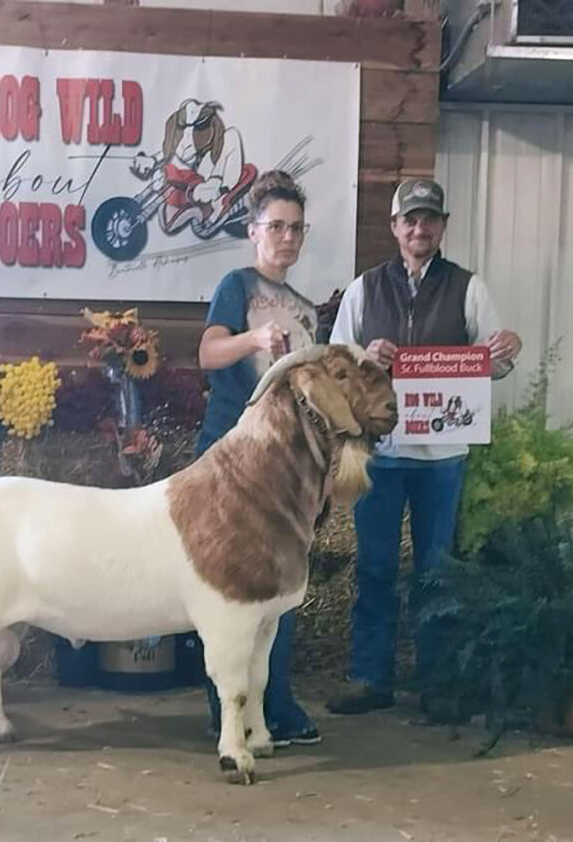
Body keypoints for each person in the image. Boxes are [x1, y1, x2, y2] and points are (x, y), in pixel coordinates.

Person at [328, 178, 521, 720]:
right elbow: (338, 364)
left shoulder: (469, 287)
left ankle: (437, 684)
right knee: (376, 569)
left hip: (443, 457)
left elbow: (496, 359)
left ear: (443, 226)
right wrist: (367, 354)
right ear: (394, 227)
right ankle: (371, 678)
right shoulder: (364, 288)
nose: (420, 228)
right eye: (410, 219)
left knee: (438, 571)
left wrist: (509, 348)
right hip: (382, 455)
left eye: (429, 219)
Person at [194, 169, 321, 747]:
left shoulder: (307, 309)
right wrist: (253, 340)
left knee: (281, 588)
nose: (287, 237)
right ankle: (223, 706)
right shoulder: (237, 286)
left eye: (296, 227)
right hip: (230, 455)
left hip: (285, 468)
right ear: (253, 230)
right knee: (225, 585)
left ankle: (275, 701)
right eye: (276, 226)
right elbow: (207, 354)